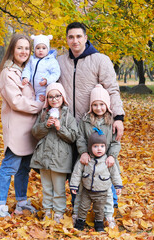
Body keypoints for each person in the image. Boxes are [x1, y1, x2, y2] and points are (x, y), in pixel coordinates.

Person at [57, 22, 125, 226]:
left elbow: (112, 89)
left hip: (95, 125)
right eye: (71, 37)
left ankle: (108, 211)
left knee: (104, 164)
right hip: (70, 126)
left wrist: (119, 117)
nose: (75, 41)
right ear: (67, 39)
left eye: (79, 36)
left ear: (86, 38)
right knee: (77, 168)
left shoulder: (100, 60)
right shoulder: (60, 61)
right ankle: (80, 208)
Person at [0, 34, 44, 218]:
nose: (24, 52)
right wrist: (39, 106)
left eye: (27, 49)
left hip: (29, 129)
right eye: (19, 48)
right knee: (10, 166)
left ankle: (21, 202)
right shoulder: (7, 73)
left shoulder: (27, 71)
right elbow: (16, 101)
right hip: (16, 127)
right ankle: (0, 206)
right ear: (12, 50)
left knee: (24, 168)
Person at [73, 84, 123, 228]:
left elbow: (115, 141)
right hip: (88, 161)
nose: (99, 108)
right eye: (95, 105)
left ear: (106, 105)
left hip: (105, 162)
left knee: (106, 192)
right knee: (82, 191)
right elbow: (80, 138)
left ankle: (107, 216)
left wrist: (112, 156)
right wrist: (83, 152)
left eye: (102, 104)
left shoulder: (111, 121)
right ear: (91, 106)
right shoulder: (86, 121)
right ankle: (77, 214)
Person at [30, 82, 78, 223]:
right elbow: (35, 132)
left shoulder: (69, 116)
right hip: (44, 158)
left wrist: (59, 127)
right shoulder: (44, 114)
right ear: (47, 99)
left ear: (62, 97)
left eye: (57, 96)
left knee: (59, 189)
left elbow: (73, 136)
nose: (54, 99)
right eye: (51, 97)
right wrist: (45, 125)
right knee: (46, 188)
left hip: (60, 159)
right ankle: (47, 211)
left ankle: (58, 212)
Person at [70, 129, 123, 232]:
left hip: (102, 191)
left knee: (99, 209)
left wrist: (118, 186)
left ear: (105, 147)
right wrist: (74, 185)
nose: (99, 149)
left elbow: (115, 174)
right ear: (90, 147)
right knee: (83, 207)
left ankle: (99, 224)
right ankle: (80, 223)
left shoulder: (108, 161)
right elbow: (77, 173)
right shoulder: (86, 159)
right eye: (95, 146)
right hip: (87, 190)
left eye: (102, 146)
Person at [22, 34, 61, 102]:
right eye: (38, 48)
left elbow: (56, 73)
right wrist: (25, 77)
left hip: (43, 90)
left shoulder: (51, 61)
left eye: (43, 48)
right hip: (31, 88)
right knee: (27, 103)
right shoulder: (32, 59)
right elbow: (27, 69)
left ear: (47, 49)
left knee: (39, 105)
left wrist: (47, 80)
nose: (40, 50)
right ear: (34, 49)